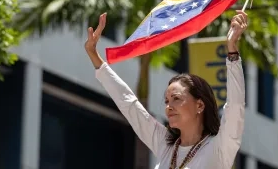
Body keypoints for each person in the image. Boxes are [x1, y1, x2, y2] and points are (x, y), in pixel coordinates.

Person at [84, 11, 247, 169]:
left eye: (176, 98)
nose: (169, 106)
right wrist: (94, 55)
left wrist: (232, 50)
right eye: (167, 101)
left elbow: (235, 106)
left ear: (200, 105)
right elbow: (129, 104)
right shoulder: (166, 145)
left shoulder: (219, 147)